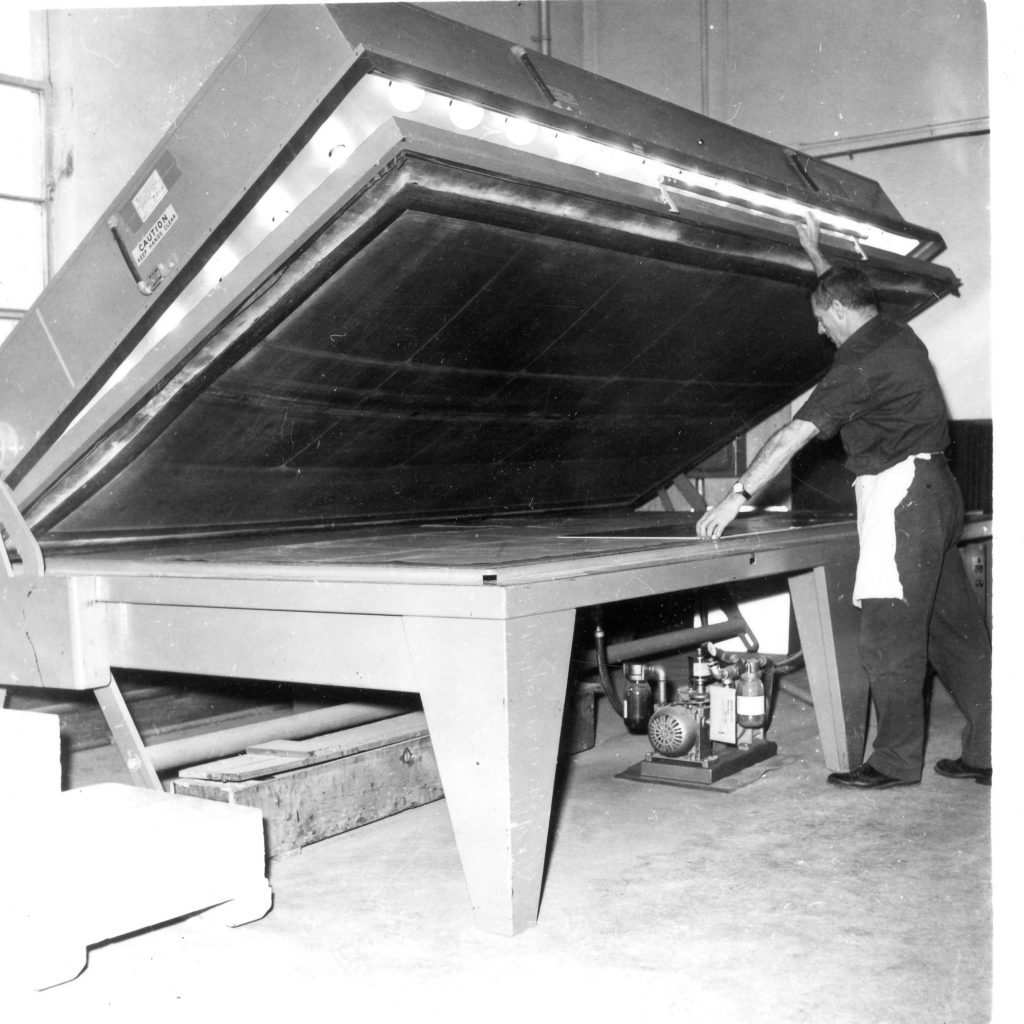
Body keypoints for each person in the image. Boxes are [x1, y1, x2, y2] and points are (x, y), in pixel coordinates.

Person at [696, 215, 991, 789]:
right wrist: (815, 252)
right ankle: (992, 751)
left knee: (887, 639)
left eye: (820, 322)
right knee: (955, 632)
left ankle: (895, 763)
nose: (820, 332)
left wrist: (735, 497)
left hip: (903, 500)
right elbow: (841, 288)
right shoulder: (892, 331)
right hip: (938, 492)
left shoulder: (854, 366)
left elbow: (790, 436)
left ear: (835, 315)